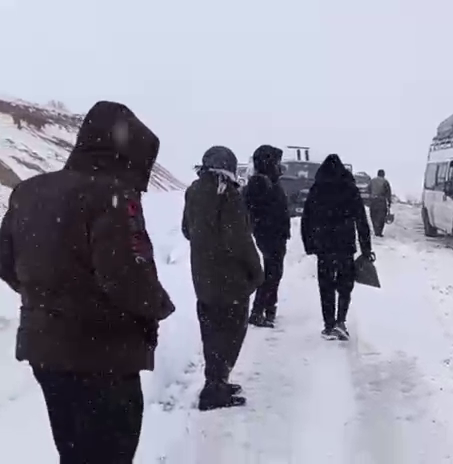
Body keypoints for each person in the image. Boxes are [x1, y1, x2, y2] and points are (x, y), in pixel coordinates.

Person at [0, 101, 175, 463]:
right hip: (103, 356)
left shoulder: (28, 192)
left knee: (74, 452)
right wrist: (158, 307)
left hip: (45, 351)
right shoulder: (112, 195)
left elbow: (6, 263)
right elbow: (127, 277)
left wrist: (50, 297)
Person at [182, 146, 264, 411]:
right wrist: (256, 271)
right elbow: (239, 239)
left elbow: (187, 230)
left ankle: (216, 382)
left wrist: (206, 244)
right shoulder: (228, 194)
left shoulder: (193, 192)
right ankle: (215, 388)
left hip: (203, 276)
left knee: (211, 332)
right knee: (231, 332)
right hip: (230, 278)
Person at [301, 154, 374, 341]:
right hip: (345, 245)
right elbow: (361, 220)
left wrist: (309, 244)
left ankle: (328, 325)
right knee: (345, 285)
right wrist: (366, 248)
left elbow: (306, 219)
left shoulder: (317, 189)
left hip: (324, 246)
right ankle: (341, 321)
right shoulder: (350, 189)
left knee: (325, 286)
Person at [243, 144, 290, 328]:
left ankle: (269, 310)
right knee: (271, 274)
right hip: (270, 236)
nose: (279, 165)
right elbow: (259, 210)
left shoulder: (267, 180)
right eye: (277, 162)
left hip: (272, 234)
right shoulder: (260, 182)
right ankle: (258, 311)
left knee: (273, 274)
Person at [368, 169, 392, 237]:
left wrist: (370, 197)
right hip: (381, 201)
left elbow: (368, 189)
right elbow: (388, 192)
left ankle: (375, 230)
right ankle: (379, 232)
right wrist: (389, 202)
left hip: (373, 201)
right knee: (381, 217)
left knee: (373, 216)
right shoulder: (385, 181)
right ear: (383, 174)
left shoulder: (372, 181)